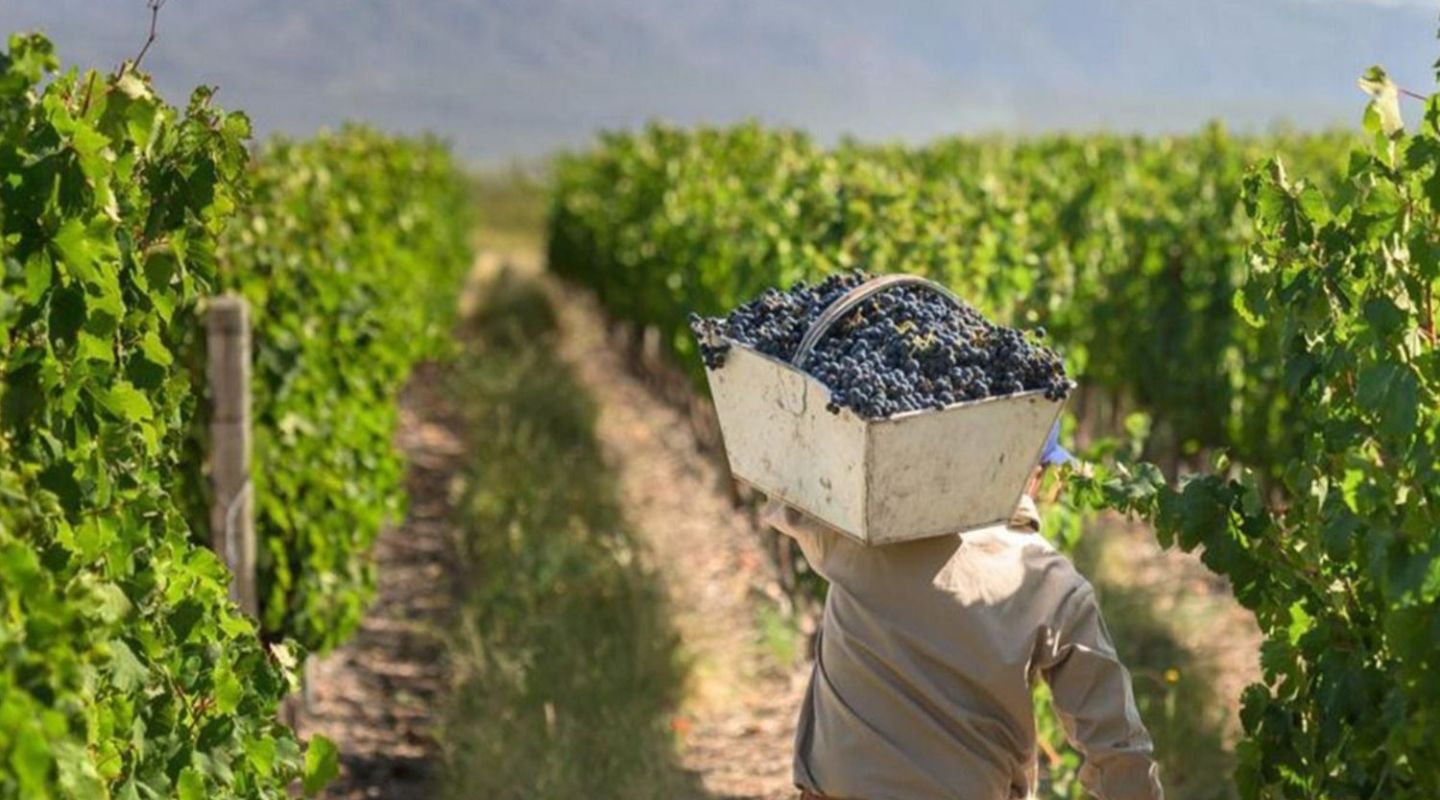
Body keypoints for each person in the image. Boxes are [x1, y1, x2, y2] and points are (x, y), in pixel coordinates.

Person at [761, 425, 1163, 800]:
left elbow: (781, 481)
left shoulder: (861, 535)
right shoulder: (1052, 583)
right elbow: (1117, 747)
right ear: (1033, 476)